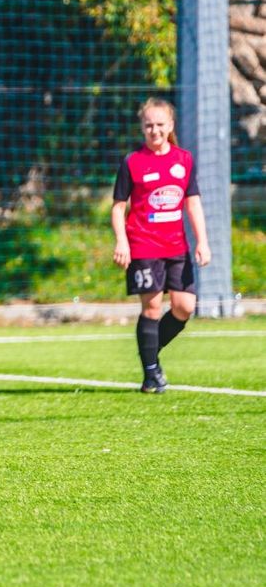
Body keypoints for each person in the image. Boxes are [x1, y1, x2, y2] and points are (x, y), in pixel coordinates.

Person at [111, 97, 210, 393]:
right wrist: (122, 242)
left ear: (170, 126)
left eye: (160, 125)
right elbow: (118, 207)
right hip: (143, 246)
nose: (154, 130)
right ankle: (151, 373)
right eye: (148, 125)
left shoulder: (183, 160)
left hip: (176, 247)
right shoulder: (133, 162)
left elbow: (193, 203)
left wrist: (202, 241)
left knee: (184, 307)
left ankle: (150, 355)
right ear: (142, 128)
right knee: (152, 308)